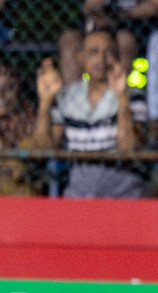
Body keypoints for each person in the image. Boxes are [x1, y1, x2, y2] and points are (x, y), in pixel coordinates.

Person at [32, 31, 142, 198]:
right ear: (80, 58)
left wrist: (122, 97)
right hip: (79, 193)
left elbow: (128, 148)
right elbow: (43, 149)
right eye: (93, 52)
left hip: (123, 193)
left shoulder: (134, 96)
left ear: (117, 57)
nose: (101, 59)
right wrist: (45, 102)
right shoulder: (67, 97)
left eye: (109, 52)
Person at [0, 63, 39, 196]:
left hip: (18, 186)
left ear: (18, 88)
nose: (1, 96)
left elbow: (20, 170)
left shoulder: (28, 113)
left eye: (8, 88)